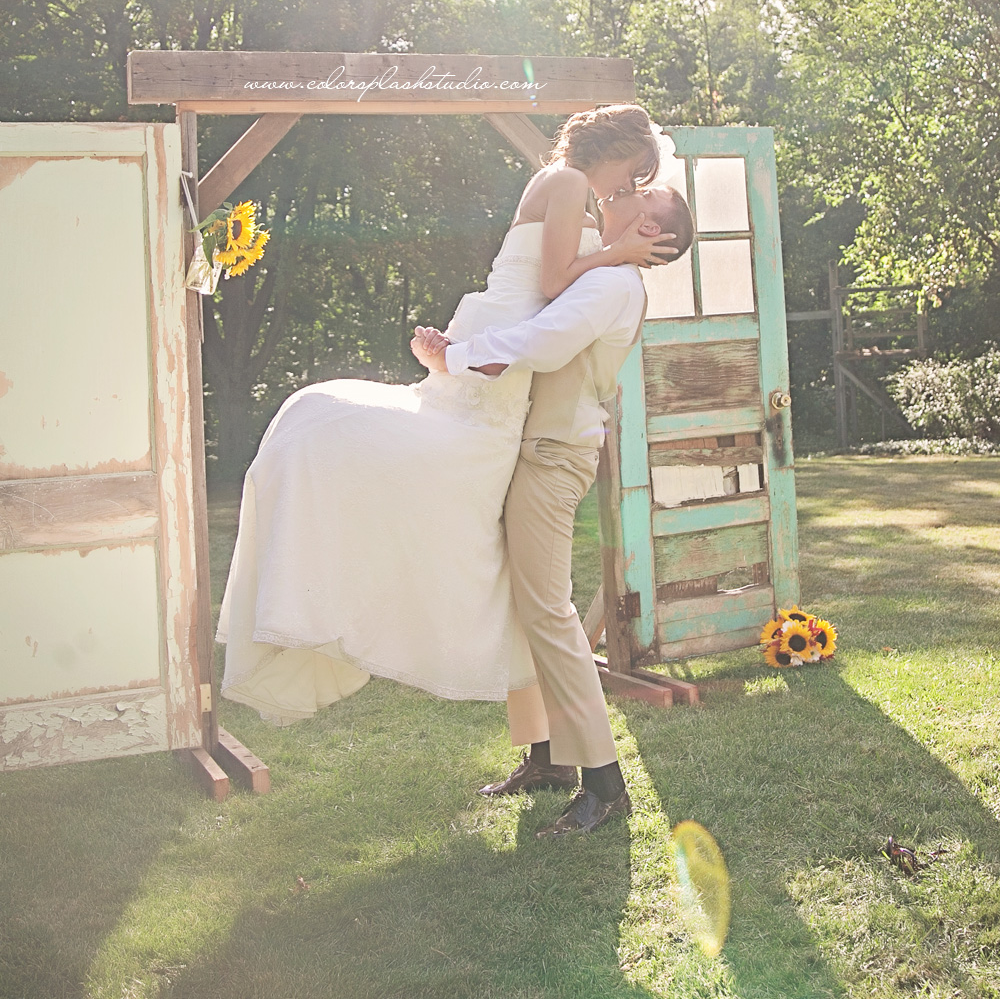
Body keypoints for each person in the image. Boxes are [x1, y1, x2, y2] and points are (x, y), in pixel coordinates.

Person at [217, 105, 678, 725]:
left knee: (473, 506)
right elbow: (553, 279)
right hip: (501, 343)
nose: (625, 189)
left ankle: (531, 726)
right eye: (630, 174)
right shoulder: (570, 184)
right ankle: (410, 611)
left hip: (497, 337)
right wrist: (619, 250)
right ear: (613, 150)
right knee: (468, 494)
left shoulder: (567, 191)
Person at [412, 180, 695, 837]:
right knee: (526, 604)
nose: (621, 192)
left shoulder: (614, 285)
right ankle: (545, 757)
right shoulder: (604, 271)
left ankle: (604, 781)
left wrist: (451, 356)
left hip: (553, 452)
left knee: (548, 608)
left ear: (650, 229)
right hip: (536, 444)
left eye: (638, 193)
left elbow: (541, 340)